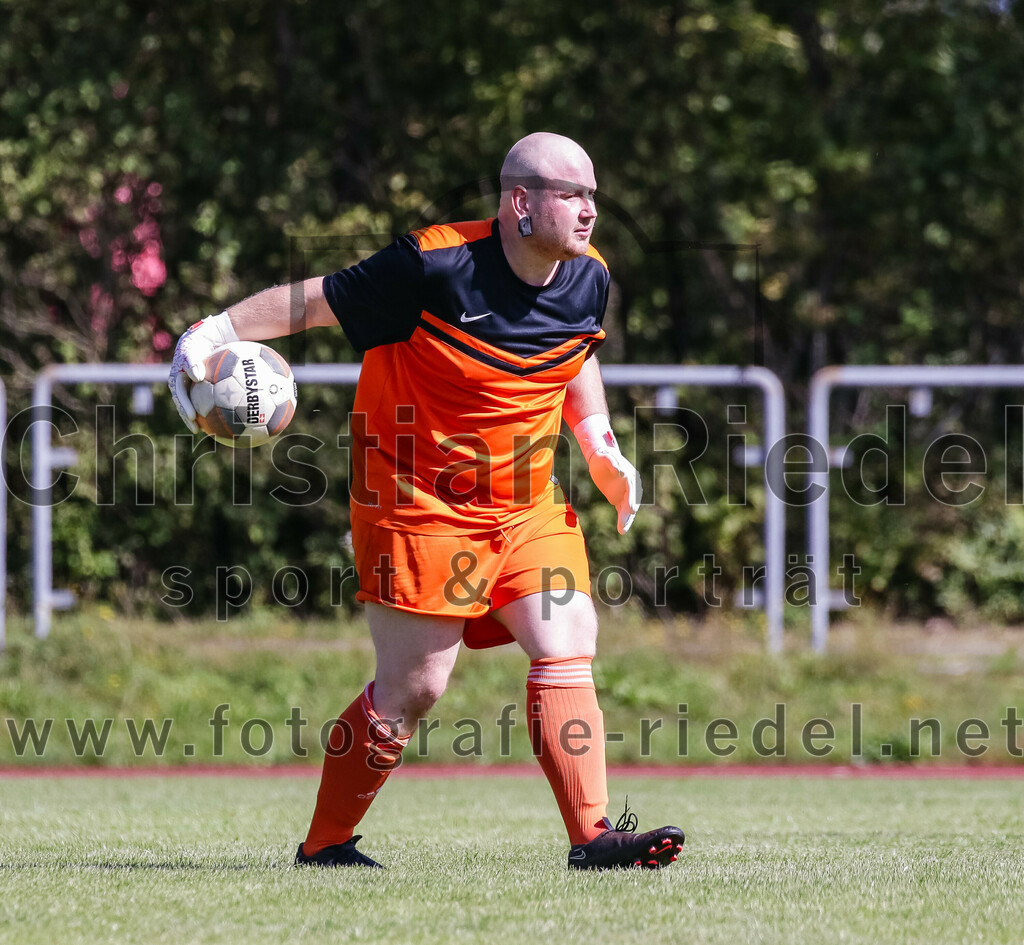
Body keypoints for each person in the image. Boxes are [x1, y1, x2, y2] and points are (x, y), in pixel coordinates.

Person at [168, 132, 684, 870]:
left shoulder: (589, 276)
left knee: (568, 639)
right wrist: (210, 333)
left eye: (593, 195)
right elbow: (315, 302)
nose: (589, 210)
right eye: (572, 194)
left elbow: (575, 356)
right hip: (416, 503)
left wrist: (601, 444)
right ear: (521, 202)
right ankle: (325, 844)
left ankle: (594, 837)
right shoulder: (432, 265)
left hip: (526, 505)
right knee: (414, 688)